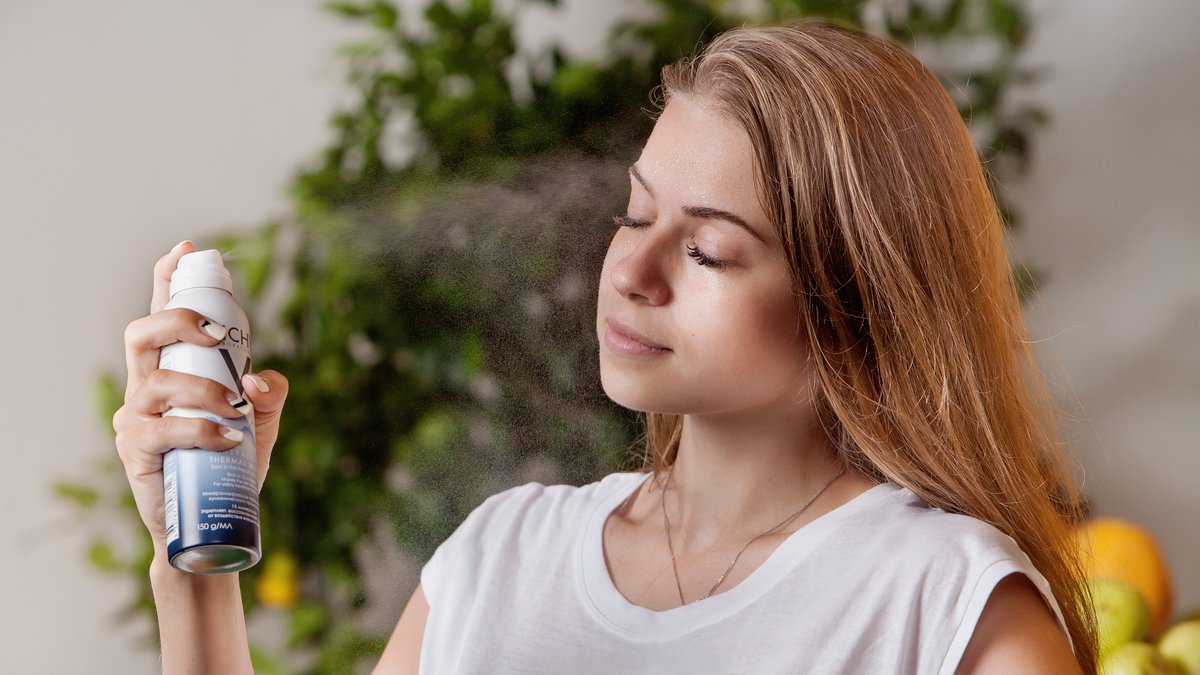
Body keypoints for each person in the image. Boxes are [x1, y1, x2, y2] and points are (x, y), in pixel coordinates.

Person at [114, 19, 1098, 674]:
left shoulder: (954, 612)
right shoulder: (498, 557)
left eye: (708, 249)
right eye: (635, 216)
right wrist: (191, 576)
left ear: (855, 300)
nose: (632, 270)